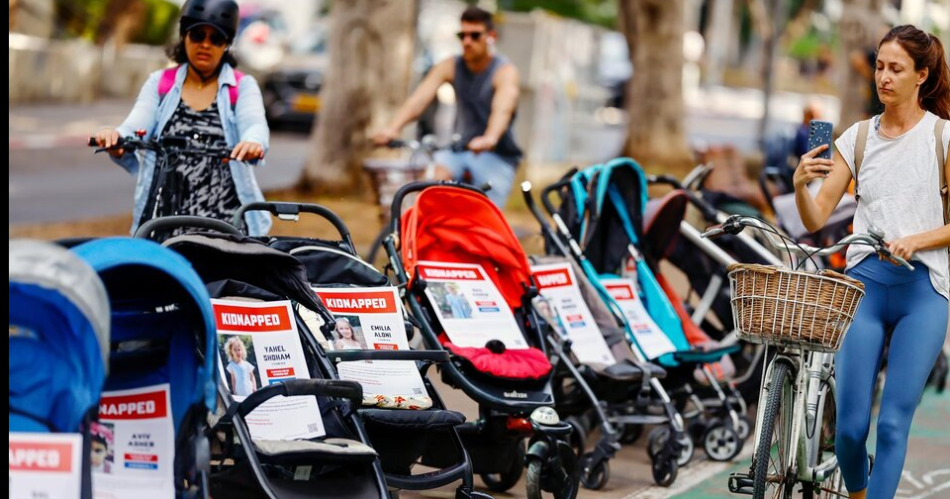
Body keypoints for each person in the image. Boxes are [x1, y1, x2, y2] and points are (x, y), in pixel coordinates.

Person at [793, 25, 949, 499]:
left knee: (894, 424)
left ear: (921, 75)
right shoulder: (857, 138)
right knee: (849, 430)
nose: (883, 77)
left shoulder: (942, 138)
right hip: (864, 288)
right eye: (880, 66)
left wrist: (917, 240)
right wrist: (800, 184)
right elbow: (815, 217)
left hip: (924, 293)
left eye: (896, 69)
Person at [92, 0, 271, 236]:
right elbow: (134, 126)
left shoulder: (242, 86)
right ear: (184, 36)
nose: (205, 44)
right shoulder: (160, 83)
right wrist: (116, 138)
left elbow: (255, 124)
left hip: (226, 225)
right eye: (197, 35)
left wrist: (253, 143)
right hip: (164, 221)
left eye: (216, 38)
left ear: (226, 44)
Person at [372, 6, 522, 208]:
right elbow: (419, 99)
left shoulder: (504, 71)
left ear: (491, 37)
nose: (467, 41)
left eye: (475, 36)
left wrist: (490, 138)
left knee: (484, 215)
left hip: (495, 155)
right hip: (458, 151)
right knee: (431, 187)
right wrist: (393, 128)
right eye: (462, 35)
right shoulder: (450, 65)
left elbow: (503, 108)